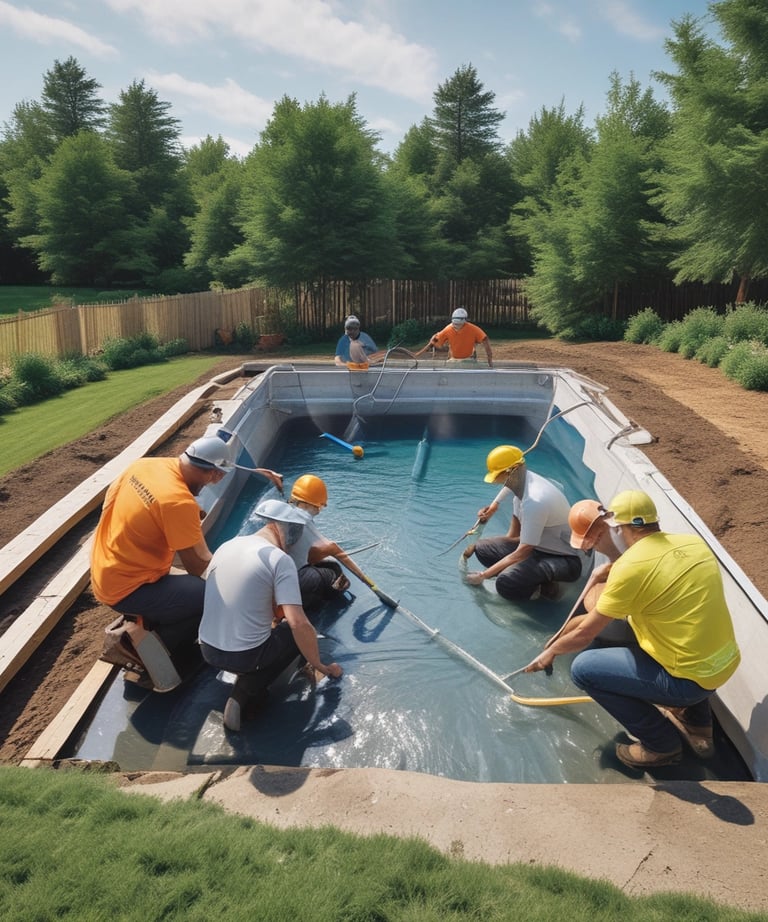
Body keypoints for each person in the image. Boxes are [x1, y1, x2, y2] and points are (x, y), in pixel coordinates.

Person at [523, 490, 741, 769]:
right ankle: (698, 723)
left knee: (584, 669)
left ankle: (660, 746)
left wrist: (550, 652)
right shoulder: (694, 545)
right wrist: (613, 568)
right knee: (682, 636)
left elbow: (586, 633)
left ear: (618, 528)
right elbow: (658, 566)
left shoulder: (631, 568)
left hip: (686, 682)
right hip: (723, 664)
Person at [90, 432, 283, 675]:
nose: (209, 486)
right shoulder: (178, 503)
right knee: (211, 597)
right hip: (128, 588)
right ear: (213, 473)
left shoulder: (145, 466)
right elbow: (199, 565)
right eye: (213, 480)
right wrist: (245, 585)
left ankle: (156, 617)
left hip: (105, 569)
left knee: (194, 591)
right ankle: (148, 649)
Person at [199, 499, 343, 731]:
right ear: (284, 530)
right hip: (243, 657)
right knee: (299, 631)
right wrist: (322, 665)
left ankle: (247, 673)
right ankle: (245, 691)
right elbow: (298, 623)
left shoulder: (227, 545)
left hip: (207, 649)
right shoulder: (279, 559)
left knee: (277, 625)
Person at [463, 445, 582, 600]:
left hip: (564, 560)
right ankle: (527, 574)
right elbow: (513, 537)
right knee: (483, 549)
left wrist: (484, 575)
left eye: (497, 475)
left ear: (510, 472)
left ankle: (545, 588)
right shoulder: (522, 485)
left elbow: (522, 551)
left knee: (505, 583)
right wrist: (491, 511)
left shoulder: (534, 501)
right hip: (538, 548)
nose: (496, 481)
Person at [287, 474, 376, 611]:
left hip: (276, 577)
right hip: (294, 584)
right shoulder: (305, 521)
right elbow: (334, 549)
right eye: (319, 506)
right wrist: (367, 580)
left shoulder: (284, 512)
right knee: (335, 572)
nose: (319, 510)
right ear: (309, 504)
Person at [415, 307, 493, 367]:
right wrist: (433, 341)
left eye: (458, 325)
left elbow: (485, 340)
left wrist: (489, 360)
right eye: (455, 325)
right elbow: (437, 343)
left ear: (464, 321)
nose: (456, 327)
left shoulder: (473, 329)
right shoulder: (448, 329)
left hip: (468, 360)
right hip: (454, 360)